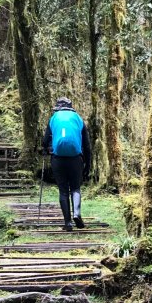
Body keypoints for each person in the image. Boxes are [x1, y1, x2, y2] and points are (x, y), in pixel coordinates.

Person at [42, 97, 91, 231]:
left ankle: (68, 223)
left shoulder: (54, 118)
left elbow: (45, 140)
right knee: (75, 188)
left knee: (63, 191)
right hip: (76, 159)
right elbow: (86, 146)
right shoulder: (78, 118)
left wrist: (45, 149)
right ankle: (77, 214)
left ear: (58, 108)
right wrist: (88, 165)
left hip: (58, 159)